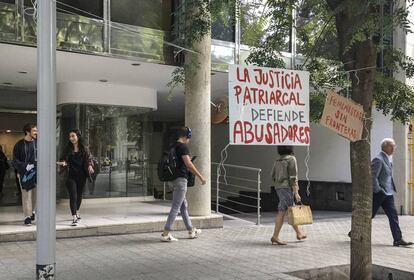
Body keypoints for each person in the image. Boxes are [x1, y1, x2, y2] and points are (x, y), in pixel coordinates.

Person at [350, 138, 412, 247]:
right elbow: (373, 177)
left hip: (388, 193)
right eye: (392, 146)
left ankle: (398, 239)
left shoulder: (388, 158)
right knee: (369, 215)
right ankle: (354, 232)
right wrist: (379, 190)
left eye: (394, 146)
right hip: (380, 193)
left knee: (393, 216)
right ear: (385, 147)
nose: (394, 148)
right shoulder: (378, 159)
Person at [160, 127, 207, 242]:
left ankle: (191, 230)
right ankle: (165, 233)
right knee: (176, 207)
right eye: (189, 138)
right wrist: (201, 177)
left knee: (183, 206)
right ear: (187, 136)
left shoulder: (172, 146)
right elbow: (188, 164)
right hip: (180, 180)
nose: (189, 140)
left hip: (172, 180)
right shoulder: (183, 147)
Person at [57, 129, 94, 226]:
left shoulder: (84, 149)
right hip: (70, 176)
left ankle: (77, 211)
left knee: (79, 195)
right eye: (70, 137)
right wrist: (63, 163)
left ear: (78, 136)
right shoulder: (67, 149)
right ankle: (74, 217)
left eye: (73, 136)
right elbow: (62, 159)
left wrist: (90, 166)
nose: (71, 138)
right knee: (73, 195)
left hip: (81, 176)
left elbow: (89, 159)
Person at [270, 146, 306, 245]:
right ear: (290, 149)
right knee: (283, 211)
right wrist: (296, 192)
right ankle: (275, 236)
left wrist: (279, 183)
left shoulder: (278, 160)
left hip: (279, 187)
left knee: (290, 210)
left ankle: (299, 233)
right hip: (287, 187)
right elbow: (293, 177)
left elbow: (272, 175)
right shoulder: (291, 159)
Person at [12, 123, 37, 226]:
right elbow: (14, 161)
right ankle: (27, 216)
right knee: (26, 195)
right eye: (34, 130)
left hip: (36, 173)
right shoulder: (19, 145)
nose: (36, 132)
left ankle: (32, 212)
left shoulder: (38, 144)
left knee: (35, 195)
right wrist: (24, 166)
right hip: (24, 174)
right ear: (27, 131)